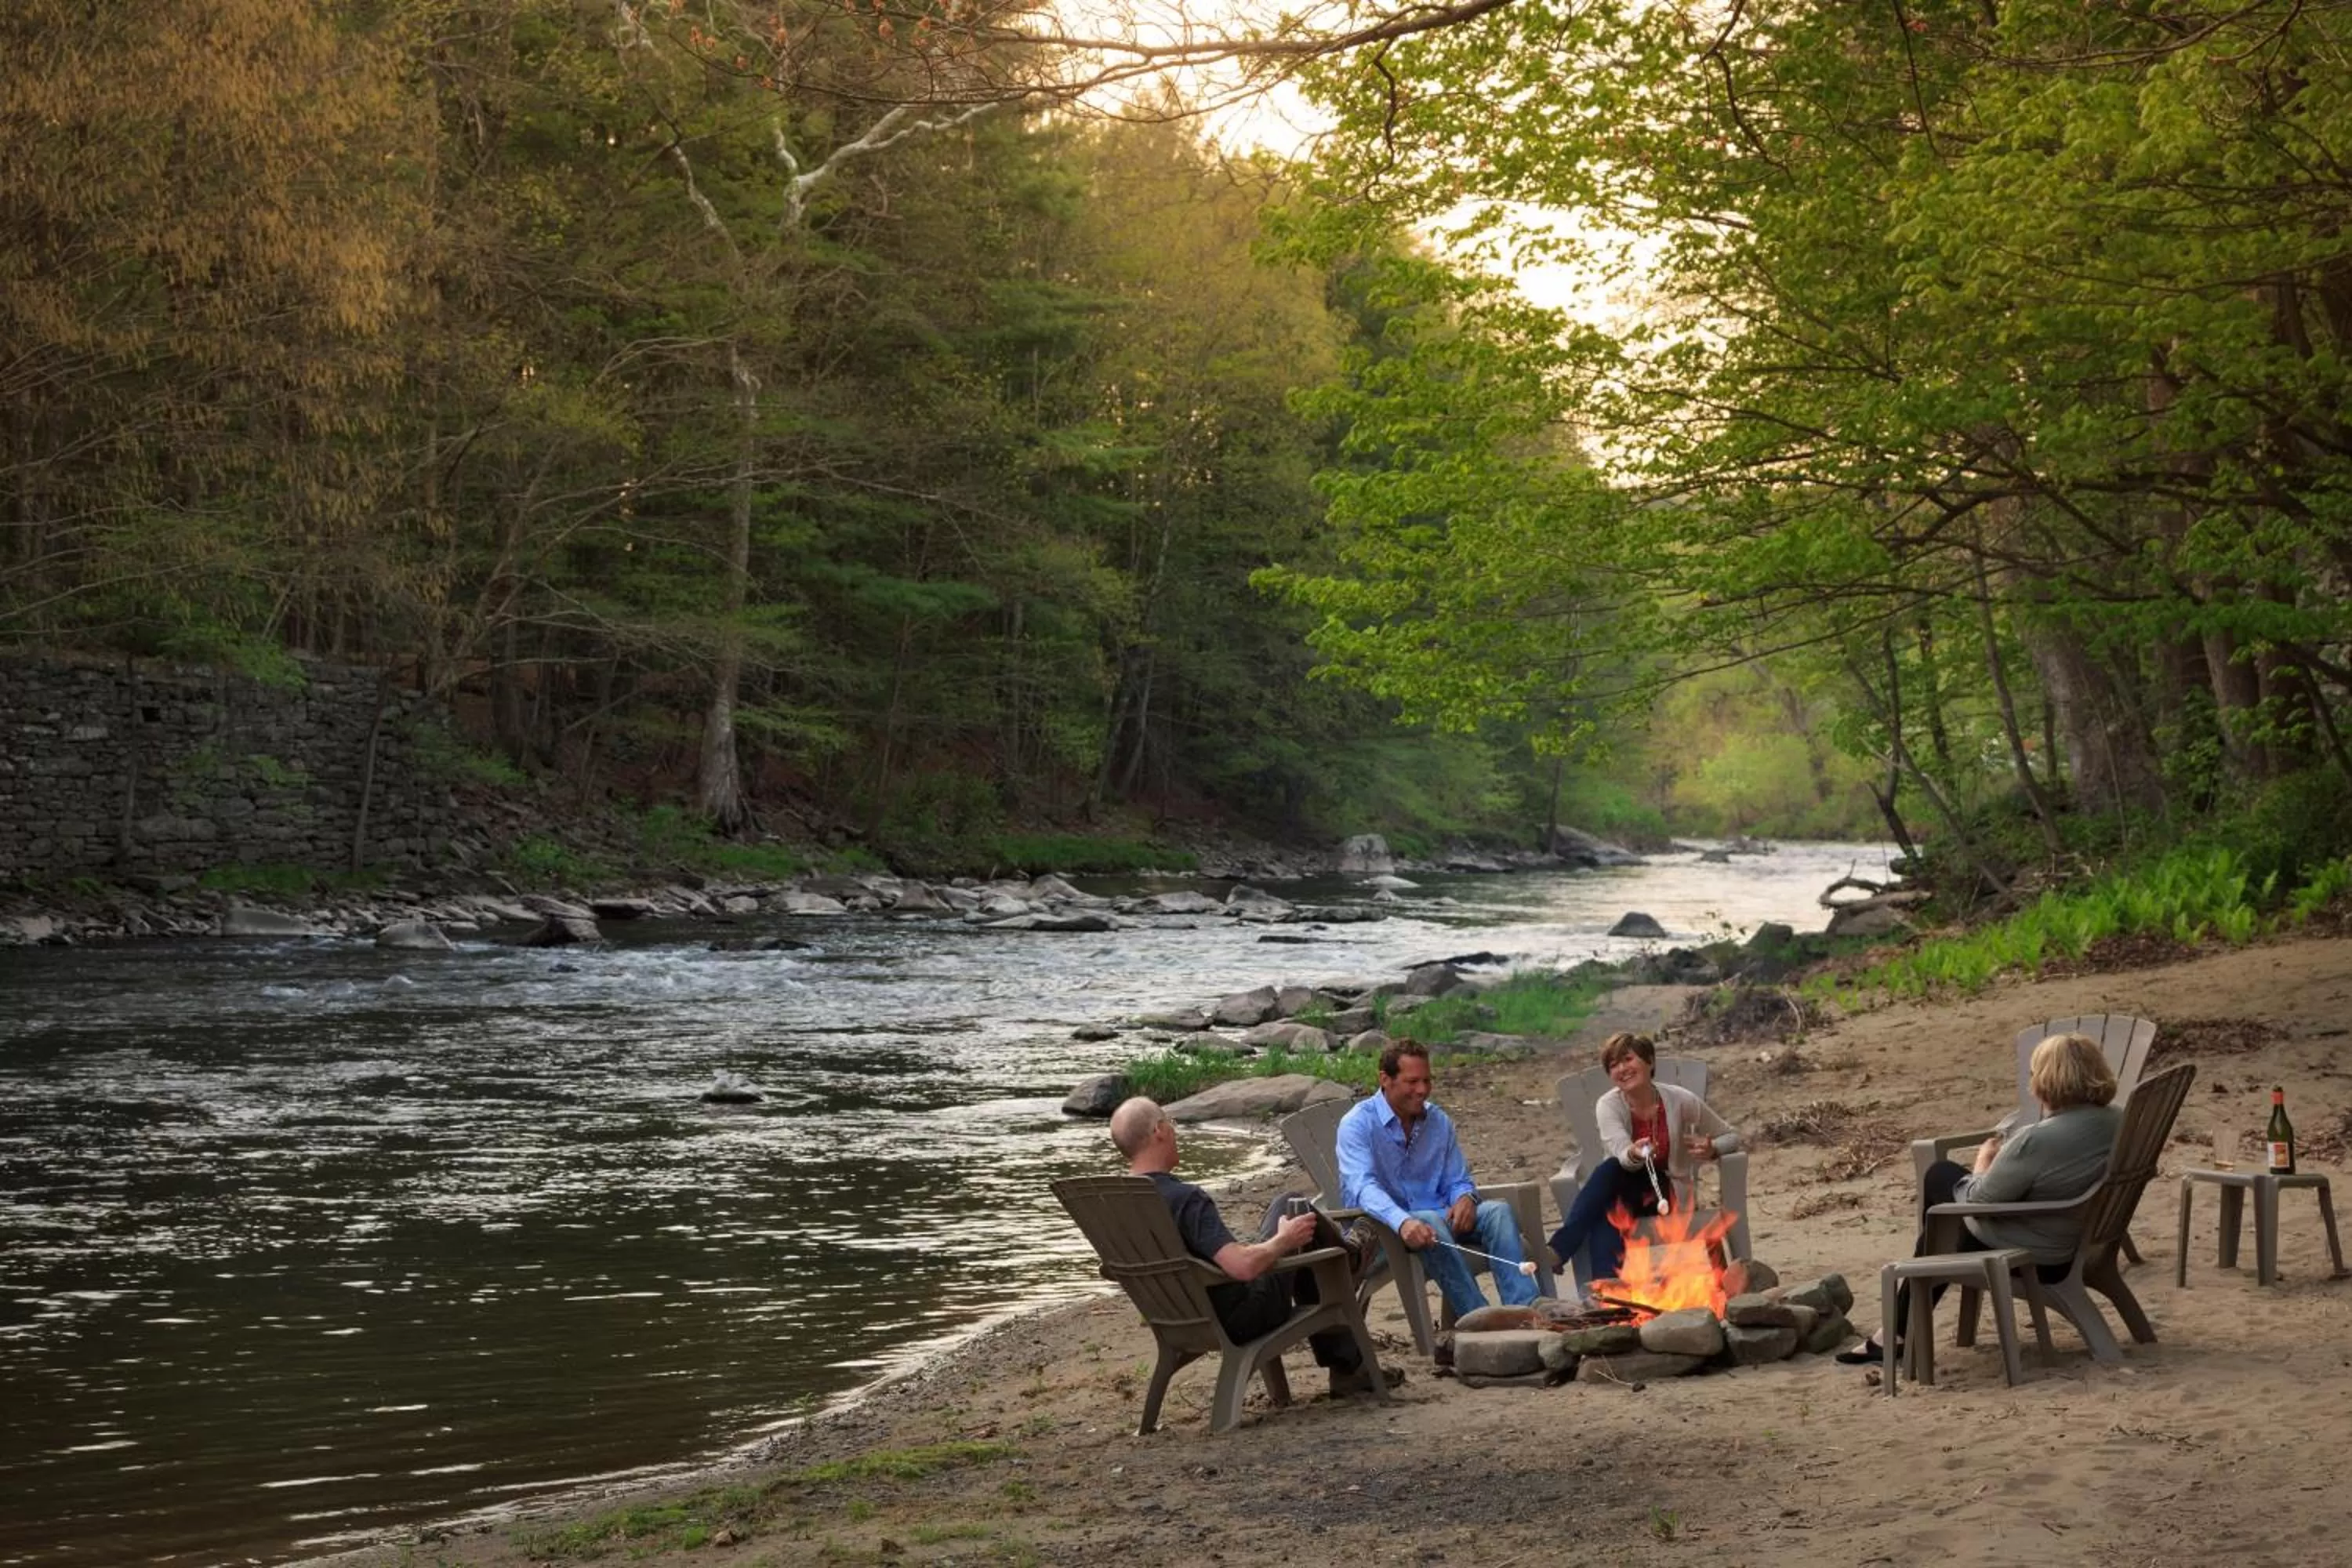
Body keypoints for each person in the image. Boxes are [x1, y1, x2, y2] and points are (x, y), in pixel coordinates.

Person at [1838, 1032, 2123, 1365]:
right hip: (2079, 1237)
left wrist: (1983, 1161)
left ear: (2047, 1079)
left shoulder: (2037, 1139)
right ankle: (1898, 1326)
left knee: (1940, 1178)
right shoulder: (2116, 1120)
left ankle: (1897, 1330)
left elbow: (1979, 1200)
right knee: (1939, 1235)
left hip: (2038, 1253)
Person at [1109, 1096, 1397, 1396]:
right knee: (1292, 1206)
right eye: (1171, 1123)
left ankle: (1349, 1359)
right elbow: (1243, 1268)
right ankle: (1350, 1260)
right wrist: (1284, 1240)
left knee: (1286, 1212)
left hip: (1179, 1316)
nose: (1174, 1131)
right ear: (1159, 1131)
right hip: (1243, 1315)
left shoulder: (1117, 1203)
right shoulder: (1184, 1200)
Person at [1335, 1040, 1542, 1319]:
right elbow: (1362, 1188)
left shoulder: (1438, 1121)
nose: (1422, 1090)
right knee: (1427, 1220)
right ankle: (1480, 1318)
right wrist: (1403, 1221)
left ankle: (1528, 1311)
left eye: (1426, 1080)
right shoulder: (1357, 1124)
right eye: (1412, 1081)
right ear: (1385, 1079)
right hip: (1385, 1231)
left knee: (1498, 1212)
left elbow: (1457, 1178)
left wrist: (1465, 1197)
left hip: (1440, 1219)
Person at [1545, 1031, 1742, 1287]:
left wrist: (1713, 1148)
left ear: (1649, 1061)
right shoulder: (1608, 1105)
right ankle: (1611, 1299)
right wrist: (1635, 1153)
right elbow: (1621, 1152)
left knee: (1610, 1177)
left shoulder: (1680, 1100)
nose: (1622, 1069)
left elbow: (1731, 1136)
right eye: (1613, 1066)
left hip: (1667, 1195)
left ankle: (1561, 1250)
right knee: (1609, 1204)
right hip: (1625, 1192)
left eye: (1628, 1059)